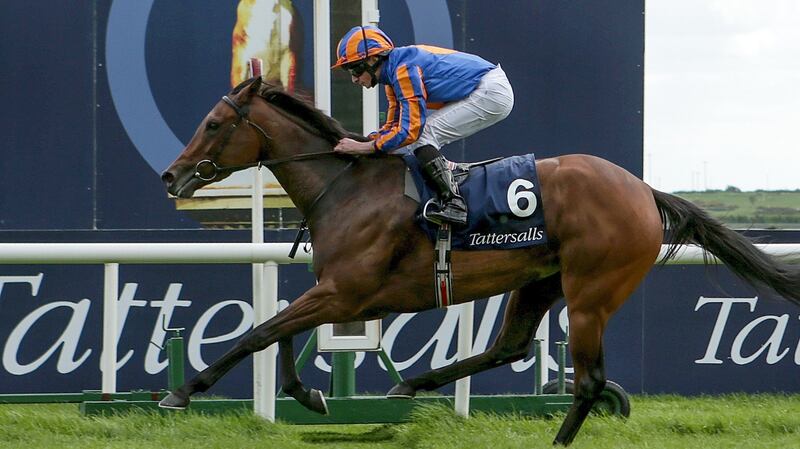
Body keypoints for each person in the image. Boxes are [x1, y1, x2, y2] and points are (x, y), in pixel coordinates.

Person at [331, 25, 514, 226]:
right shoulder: (393, 74)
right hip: (488, 87)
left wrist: (365, 147)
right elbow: (393, 126)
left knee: (422, 136)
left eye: (355, 68)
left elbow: (411, 130)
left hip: (491, 91)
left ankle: (454, 204)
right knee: (415, 139)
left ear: (373, 59)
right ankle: (447, 182)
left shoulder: (403, 71)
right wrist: (368, 141)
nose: (354, 78)